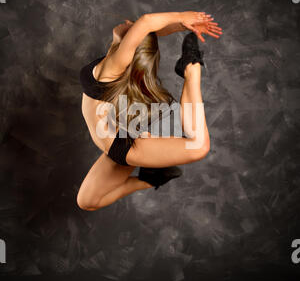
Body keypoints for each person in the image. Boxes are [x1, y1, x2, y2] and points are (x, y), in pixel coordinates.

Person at [77, 11, 223, 211]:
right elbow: (151, 30)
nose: (129, 22)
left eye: (133, 27)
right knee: (87, 202)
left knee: (199, 146)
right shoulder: (118, 54)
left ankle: (191, 70)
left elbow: (147, 23)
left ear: (130, 45)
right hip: (115, 141)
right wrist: (183, 26)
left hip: (125, 147)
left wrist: (184, 16)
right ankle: (151, 178)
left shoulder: (114, 66)